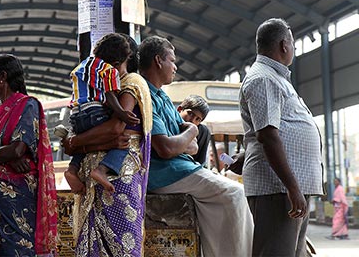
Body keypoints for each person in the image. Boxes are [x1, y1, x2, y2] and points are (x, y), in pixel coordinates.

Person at [139, 35, 253, 257]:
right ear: (157, 61)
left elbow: (189, 148)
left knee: (235, 196)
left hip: (181, 168)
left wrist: (183, 141)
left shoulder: (162, 97)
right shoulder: (146, 97)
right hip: (166, 173)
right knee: (235, 195)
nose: (175, 67)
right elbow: (166, 148)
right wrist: (191, 131)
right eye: (172, 60)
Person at [238, 18, 324, 256]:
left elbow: (269, 130)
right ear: (284, 45)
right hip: (277, 188)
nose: (293, 50)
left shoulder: (275, 78)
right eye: (293, 44)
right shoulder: (263, 78)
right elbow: (267, 135)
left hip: (285, 187)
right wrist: (292, 187)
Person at [62, 34, 152, 256]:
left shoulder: (130, 82)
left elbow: (115, 128)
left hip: (118, 175)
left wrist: (76, 143)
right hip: (104, 176)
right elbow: (113, 130)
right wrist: (78, 144)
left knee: (121, 244)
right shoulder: (107, 83)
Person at [0, 54, 57, 256]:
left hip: (15, 195)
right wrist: (2, 156)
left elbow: (17, 149)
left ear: (3, 77)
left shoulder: (27, 104)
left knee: (17, 247)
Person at [64, 33, 140, 194]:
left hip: (76, 114)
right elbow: (109, 95)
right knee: (122, 143)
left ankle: (71, 169)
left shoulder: (83, 65)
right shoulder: (109, 70)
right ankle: (102, 170)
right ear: (118, 62)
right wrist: (121, 113)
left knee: (80, 145)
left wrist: (74, 141)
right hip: (94, 112)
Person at [176, 95, 211, 164]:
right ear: (180, 109)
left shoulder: (202, 132)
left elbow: (200, 161)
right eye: (190, 114)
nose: (192, 120)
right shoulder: (169, 122)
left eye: (198, 119)